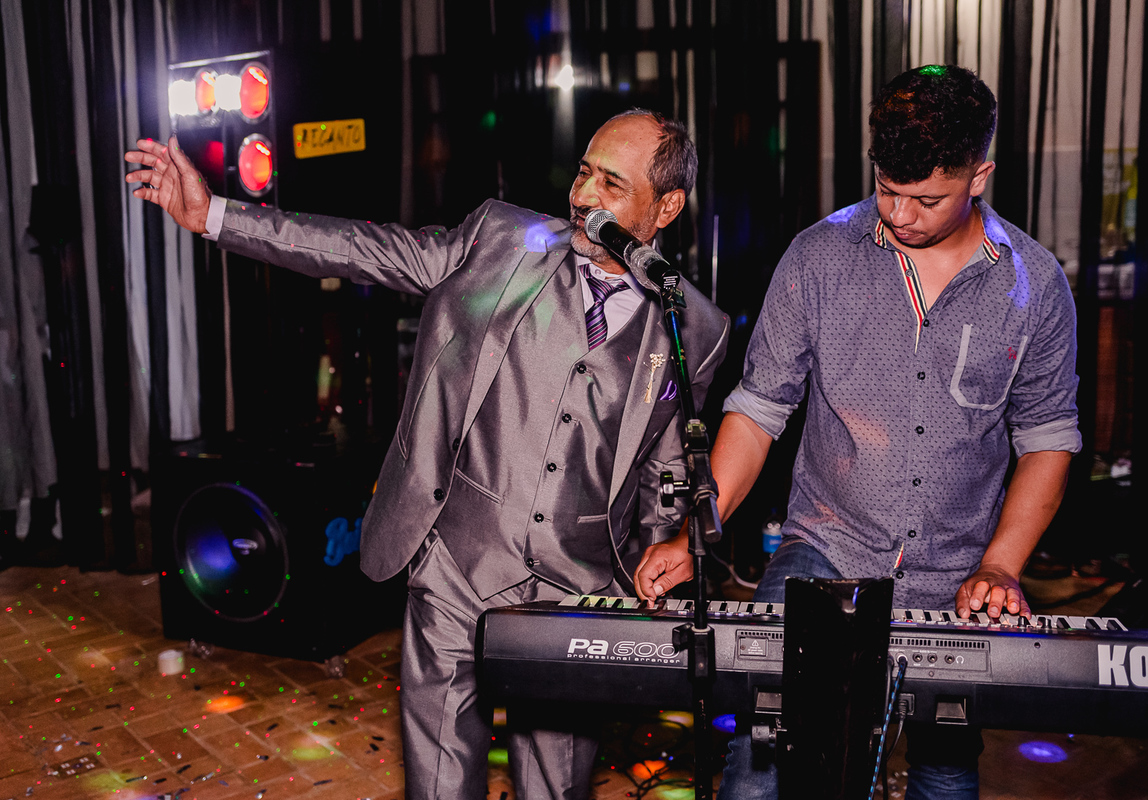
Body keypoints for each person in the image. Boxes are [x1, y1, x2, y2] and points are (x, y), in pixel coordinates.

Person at [125, 109, 729, 800]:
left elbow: (664, 471)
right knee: (441, 785)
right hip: (456, 570)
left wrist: (663, 555)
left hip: (578, 593)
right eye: (583, 173)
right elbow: (363, 248)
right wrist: (218, 217)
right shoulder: (506, 241)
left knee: (555, 790)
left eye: (611, 184)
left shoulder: (694, 327)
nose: (584, 196)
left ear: (667, 206)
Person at [635, 65, 1080, 799]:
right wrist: (695, 535)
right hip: (826, 549)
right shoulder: (818, 257)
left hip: (956, 573)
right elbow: (758, 411)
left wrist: (1001, 565)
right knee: (757, 776)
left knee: (944, 781)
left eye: (927, 198)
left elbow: (1047, 440)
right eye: (887, 190)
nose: (901, 215)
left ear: (981, 175)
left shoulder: (1032, 284)